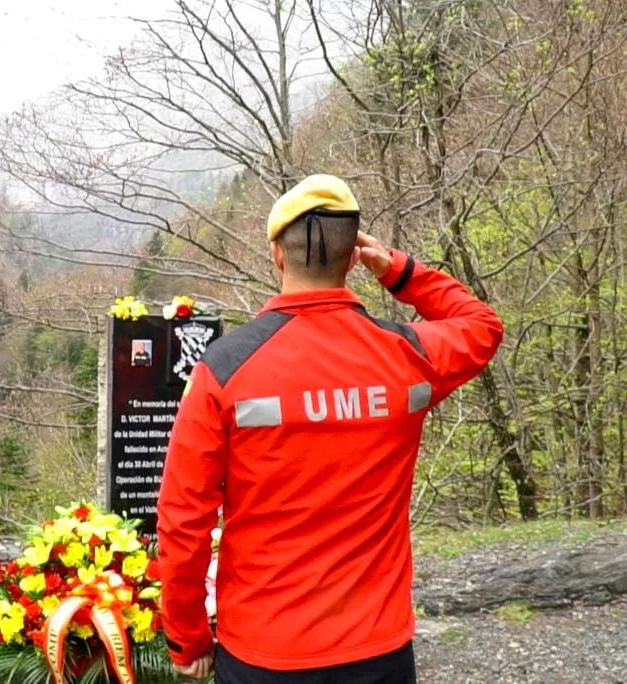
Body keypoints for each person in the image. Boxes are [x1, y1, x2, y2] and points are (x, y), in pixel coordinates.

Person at [155, 174, 504, 683]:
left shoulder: (224, 369)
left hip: (262, 651)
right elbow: (482, 326)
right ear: (353, 258)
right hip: (378, 651)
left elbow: (183, 520)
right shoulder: (408, 355)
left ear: (278, 253)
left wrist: (186, 637)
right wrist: (401, 272)